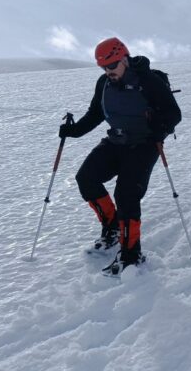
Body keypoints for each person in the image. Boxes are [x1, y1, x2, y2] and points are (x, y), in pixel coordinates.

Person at [58, 37, 181, 275]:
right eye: (103, 67)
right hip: (116, 140)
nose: (108, 71)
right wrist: (73, 131)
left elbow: (174, 114)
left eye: (112, 65)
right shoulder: (104, 83)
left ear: (124, 59)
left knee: (126, 194)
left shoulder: (148, 81)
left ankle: (131, 255)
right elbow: (95, 114)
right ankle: (112, 227)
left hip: (144, 144)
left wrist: (161, 128)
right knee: (86, 178)